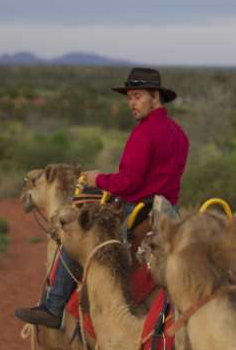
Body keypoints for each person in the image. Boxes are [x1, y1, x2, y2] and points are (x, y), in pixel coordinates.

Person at [16, 67, 189, 329]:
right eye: (129, 97)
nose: (131, 103)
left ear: (156, 96)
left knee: (75, 237)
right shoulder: (179, 134)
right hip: (167, 213)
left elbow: (129, 182)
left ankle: (53, 308)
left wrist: (98, 179)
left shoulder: (144, 133)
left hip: (136, 212)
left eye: (137, 96)